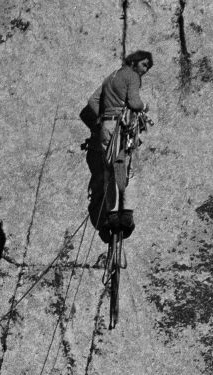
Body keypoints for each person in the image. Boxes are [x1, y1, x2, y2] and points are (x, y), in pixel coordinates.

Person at [83, 50, 153, 240]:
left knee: (109, 169)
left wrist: (103, 117)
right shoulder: (132, 76)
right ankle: (126, 215)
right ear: (135, 62)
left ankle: (112, 214)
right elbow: (134, 102)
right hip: (123, 128)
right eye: (144, 65)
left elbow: (92, 100)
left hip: (107, 126)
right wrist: (144, 107)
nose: (145, 70)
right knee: (128, 169)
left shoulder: (110, 77)